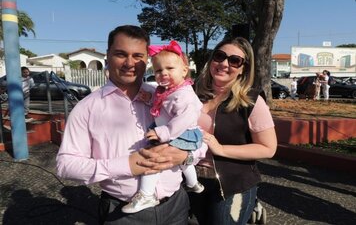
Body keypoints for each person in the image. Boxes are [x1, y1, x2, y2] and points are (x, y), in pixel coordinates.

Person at [56, 25, 206, 225]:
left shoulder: (167, 96)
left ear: (147, 60)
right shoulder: (87, 108)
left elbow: (199, 137)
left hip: (176, 206)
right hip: (123, 213)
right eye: (120, 54)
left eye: (138, 55)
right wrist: (127, 165)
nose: (129, 63)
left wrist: (187, 155)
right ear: (107, 56)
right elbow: (66, 165)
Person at [189, 37, 277, 225]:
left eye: (234, 60)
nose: (224, 64)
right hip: (190, 179)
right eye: (219, 56)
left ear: (243, 68)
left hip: (232, 184)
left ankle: (250, 206)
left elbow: (268, 148)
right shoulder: (191, 93)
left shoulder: (251, 101)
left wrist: (221, 149)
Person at [122, 41, 207, 213]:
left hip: (180, 133)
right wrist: (148, 98)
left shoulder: (184, 96)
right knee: (181, 160)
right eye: (159, 70)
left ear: (184, 71)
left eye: (170, 68)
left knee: (154, 157)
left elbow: (184, 120)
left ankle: (146, 195)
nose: (164, 73)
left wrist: (163, 132)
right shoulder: (167, 90)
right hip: (175, 132)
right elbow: (161, 106)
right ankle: (192, 183)